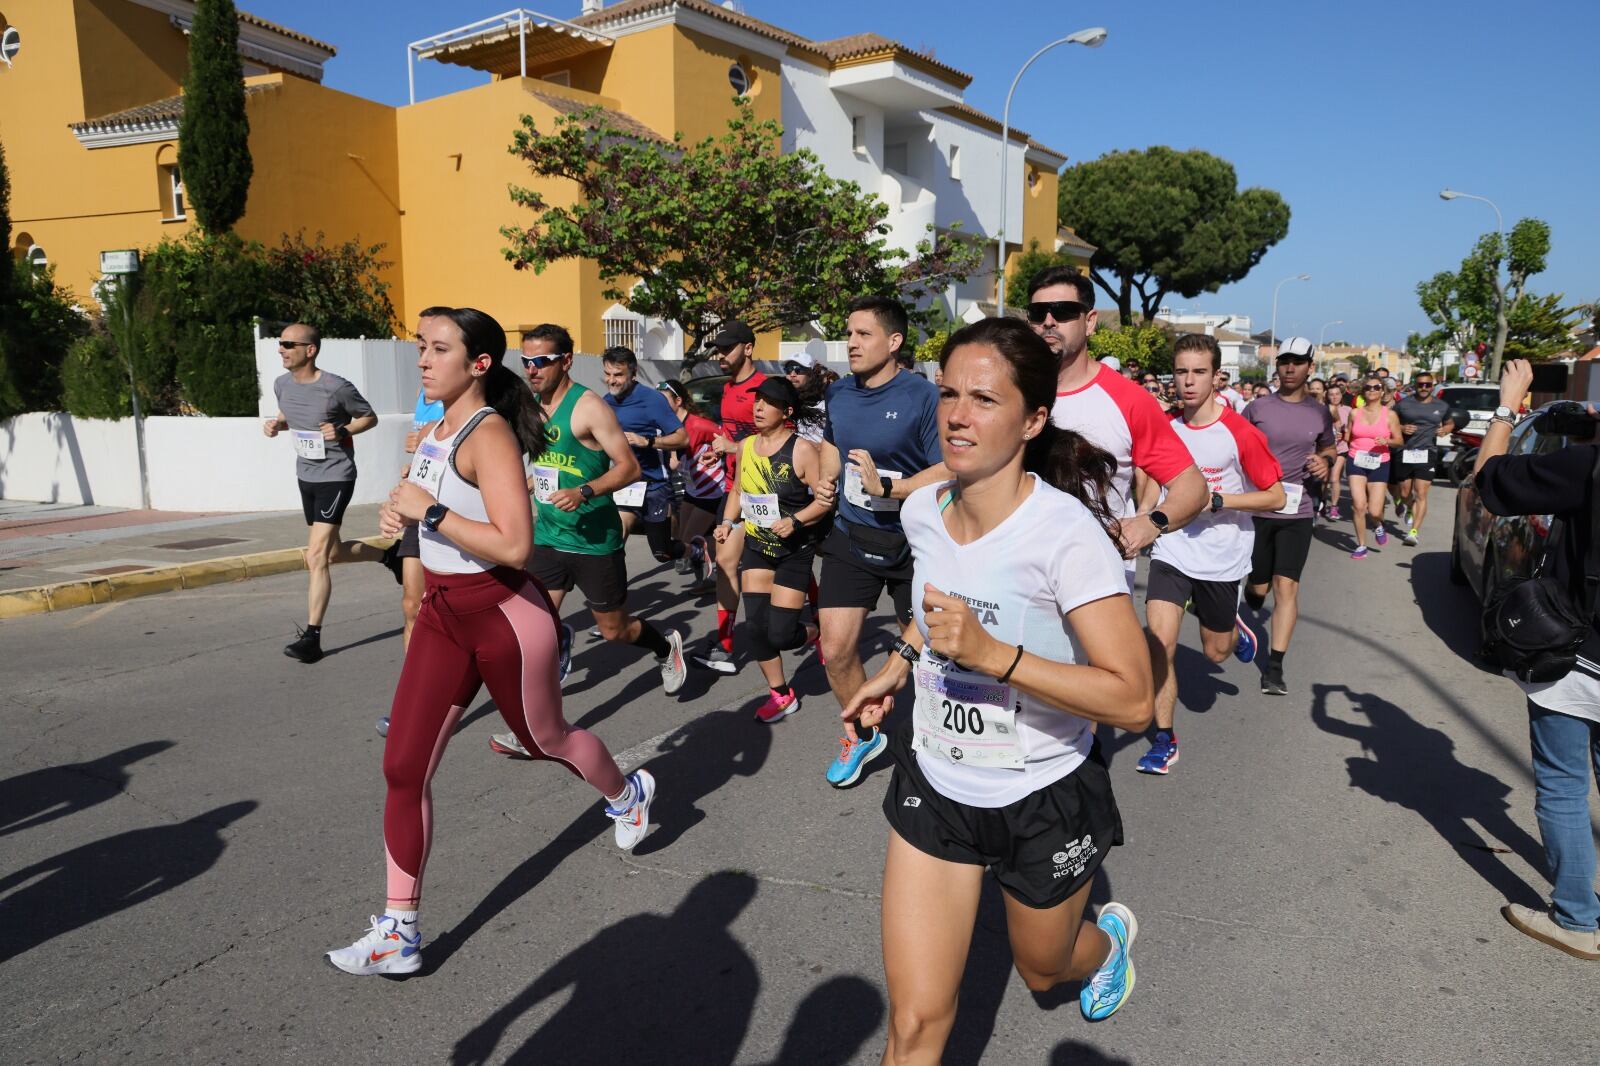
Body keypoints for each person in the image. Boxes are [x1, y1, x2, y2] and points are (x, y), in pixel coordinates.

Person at [843, 317, 1154, 1057]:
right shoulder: (922, 511)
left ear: (1033, 419)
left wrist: (996, 657)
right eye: (948, 392)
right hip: (937, 783)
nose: (956, 413)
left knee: (1043, 968)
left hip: (1043, 789)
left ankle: (1105, 948)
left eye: (984, 398)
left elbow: (1134, 699)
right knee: (914, 1023)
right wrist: (895, 667)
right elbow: (935, 613)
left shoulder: (1066, 535)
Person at [326, 307, 654, 978]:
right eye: (421, 346)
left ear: (478, 363)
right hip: (447, 615)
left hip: (505, 613)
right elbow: (426, 501)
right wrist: (401, 509)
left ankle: (629, 795)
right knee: (403, 768)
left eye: (437, 348)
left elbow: (514, 543)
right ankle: (400, 931)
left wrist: (431, 512)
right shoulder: (437, 428)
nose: (422, 358)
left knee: (545, 740)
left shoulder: (490, 432)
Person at [498, 324, 686, 752]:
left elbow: (628, 468)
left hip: (594, 540)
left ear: (565, 360)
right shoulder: (530, 405)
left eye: (541, 361)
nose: (532, 369)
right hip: (547, 536)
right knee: (534, 634)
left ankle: (665, 645)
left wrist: (584, 491)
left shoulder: (590, 408)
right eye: (526, 361)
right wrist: (530, 481)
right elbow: (545, 458)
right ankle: (537, 728)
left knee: (616, 630)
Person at [1474, 359, 1600, 961]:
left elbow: (1489, 481)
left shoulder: (1585, 466)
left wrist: (1507, 404)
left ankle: (1577, 920)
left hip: (1579, 657)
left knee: (1564, 785)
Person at [1136, 335, 1285, 774]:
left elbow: (1275, 497)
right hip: (1173, 548)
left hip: (1222, 555)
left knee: (1216, 653)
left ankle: (1236, 634)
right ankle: (1164, 740)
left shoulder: (1240, 433)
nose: (1188, 381)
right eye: (1181, 371)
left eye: (1198, 372)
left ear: (1217, 376)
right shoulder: (1165, 425)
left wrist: (1219, 501)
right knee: (1159, 642)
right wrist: (1144, 517)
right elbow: (1152, 476)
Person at [815, 296, 946, 788]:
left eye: (863, 334)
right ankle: (864, 733)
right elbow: (834, 440)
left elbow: (947, 466)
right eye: (848, 333)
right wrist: (826, 483)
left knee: (928, 655)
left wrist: (891, 488)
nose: (850, 343)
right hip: (852, 534)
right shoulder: (840, 394)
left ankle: (938, 742)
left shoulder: (922, 396)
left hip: (913, 541)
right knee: (835, 648)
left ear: (893, 343)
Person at [1026, 266, 1206, 593]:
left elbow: (1192, 485)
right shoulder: (1010, 391)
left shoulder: (1130, 400)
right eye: (1039, 313)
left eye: (1064, 311)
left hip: (1096, 582)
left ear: (1090, 321)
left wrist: (1152, 522)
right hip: (1020, 574)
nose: (1049, 321)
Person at [263, 322, 384, 664]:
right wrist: (277, 425)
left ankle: (312, 638)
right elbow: (290, 414)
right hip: (306, 476)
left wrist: (343, 428)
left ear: (310, 350)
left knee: (314, 556)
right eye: (280, 343)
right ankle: (391, 558)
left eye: (289, 344)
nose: (281, 349)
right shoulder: (281, 384)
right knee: (331, 554)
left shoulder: (336, 387)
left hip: (336, 476)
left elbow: (369, 417)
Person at [713, 377, 830, 722]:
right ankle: (781, 694)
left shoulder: (802, 450)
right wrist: (728, 522)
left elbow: (825, 500)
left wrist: (796, 521)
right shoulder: (747, 446)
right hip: (758, 547)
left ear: (787, 411)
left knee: (781, 633)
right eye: (757, 400)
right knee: (756, 629)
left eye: (768, 402)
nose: (759, 407)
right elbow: (738, 491)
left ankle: (816, 630)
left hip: (794, 550)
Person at [1243, 337, 1336, 695]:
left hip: (1299, 510)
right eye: (1285, 361)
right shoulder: (1257, 407)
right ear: (1277, 365)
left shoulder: (1319, 412)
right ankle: (1252, 595)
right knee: (1259, 586)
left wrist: (1324, 461)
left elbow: (1329, 447)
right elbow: (1236, 445)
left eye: (1298, 361)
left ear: (1310, 367)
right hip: (1260, 507)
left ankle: (1275, 667)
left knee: (1287, 587)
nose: (1290, 367)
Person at [691, 321, 766, 675]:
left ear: (748, 348)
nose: (720, 355)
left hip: (768, 491)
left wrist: (733, 446)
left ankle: (812, 620)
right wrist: (719, 452)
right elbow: (730, 434)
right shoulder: (727, 389)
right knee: (725, 561)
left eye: (727, 349)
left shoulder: (765, 389)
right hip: (736, 489)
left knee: (782, 565)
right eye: (718, 350)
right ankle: (725, 645)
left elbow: (782, 442)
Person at [599, 346, 690, 567]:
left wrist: (647, 441)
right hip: (625, 484)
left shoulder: (652, 400)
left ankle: (694, 550)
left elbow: (682, 438)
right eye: (608, 374)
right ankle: (613, 596)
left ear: (633, 372)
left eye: (618, 375)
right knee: (613, 544)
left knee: (662, 553)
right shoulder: (605, 402)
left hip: (654, 486)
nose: (612, 380)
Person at [657, 380, 722, 588]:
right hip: (692, 489)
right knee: (688, 537)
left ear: (678, 401)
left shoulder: (698, 424)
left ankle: (733, 551)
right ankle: (708, 577)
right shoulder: (668, 426)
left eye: (663, 400)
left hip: (711, 490)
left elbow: (725, 438)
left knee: (688, 540)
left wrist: (716, 453)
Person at [1390, 372, 1455, 546]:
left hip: (1428, 453)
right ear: (1415, 385)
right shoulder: (1403, 404)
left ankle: (1413, 532)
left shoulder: (1441, 405)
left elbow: (1450, 422)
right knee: (1405, 493)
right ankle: (1408, 507)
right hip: (1405, 451)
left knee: (1421, 493)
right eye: (1421, 384)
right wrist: (1402, 427)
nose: (1424, 388)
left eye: (1427, 384)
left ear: (1432, 386)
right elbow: (1389, 423)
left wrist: (1446, 429)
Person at [1344, 378, 1403, 560]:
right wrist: (1342, 436)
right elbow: (1348, 436)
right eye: (1368, 387)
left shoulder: (1390, 415)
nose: (1372, 390)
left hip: (1379, 461)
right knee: (1359, 505)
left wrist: (1388, 441)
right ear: (1363, 391)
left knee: (1375, 511)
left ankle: (1378, 525)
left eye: (1376, 387)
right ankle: (1361, 545)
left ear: (1382, 391)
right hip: (1356, 459)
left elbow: (1399, 441)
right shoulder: (1354, 413)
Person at [783, 351, 829, 443]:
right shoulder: (781, 399)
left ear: (810, 373)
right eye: (788, 370)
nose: (792, 374)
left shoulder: (824, 402)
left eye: (798, 369)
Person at [1322, 382, 1352, 520]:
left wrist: (1345, 434)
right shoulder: (1322, 409)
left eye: (1337, 394)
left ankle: (1334, 507)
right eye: (1331, 394)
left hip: (1341, 448)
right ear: (1327, 396)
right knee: (1324, 479)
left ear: (1342, 395)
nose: (1334, 397)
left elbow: (1352, 431)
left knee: (1334, 478)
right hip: (1325, 448)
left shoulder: (1348, 410)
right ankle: (1320, 503)